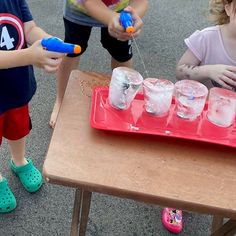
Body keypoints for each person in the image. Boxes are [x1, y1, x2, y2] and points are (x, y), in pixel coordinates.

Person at [162, 0, 236, 233]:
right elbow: (180, 69)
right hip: (195, 115)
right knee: (185, 158)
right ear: (228, 7)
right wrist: (208, 70)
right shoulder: (207, 38)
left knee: (218, 164)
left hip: (228, 121)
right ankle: (175, 197)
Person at [0, 0, 64, 213]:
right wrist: (29, 55)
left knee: (18, 130)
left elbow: (29, 28)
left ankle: (18, 161)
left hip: (17, 86)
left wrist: (47, 40)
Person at [49, 0, 148, 128]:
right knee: (72, 50)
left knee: (121, 54)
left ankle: (123, 101)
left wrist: (133, 16)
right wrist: (112, 18)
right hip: (79, 9)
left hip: (120, 12)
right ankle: (61, 100)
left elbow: (141, 2)